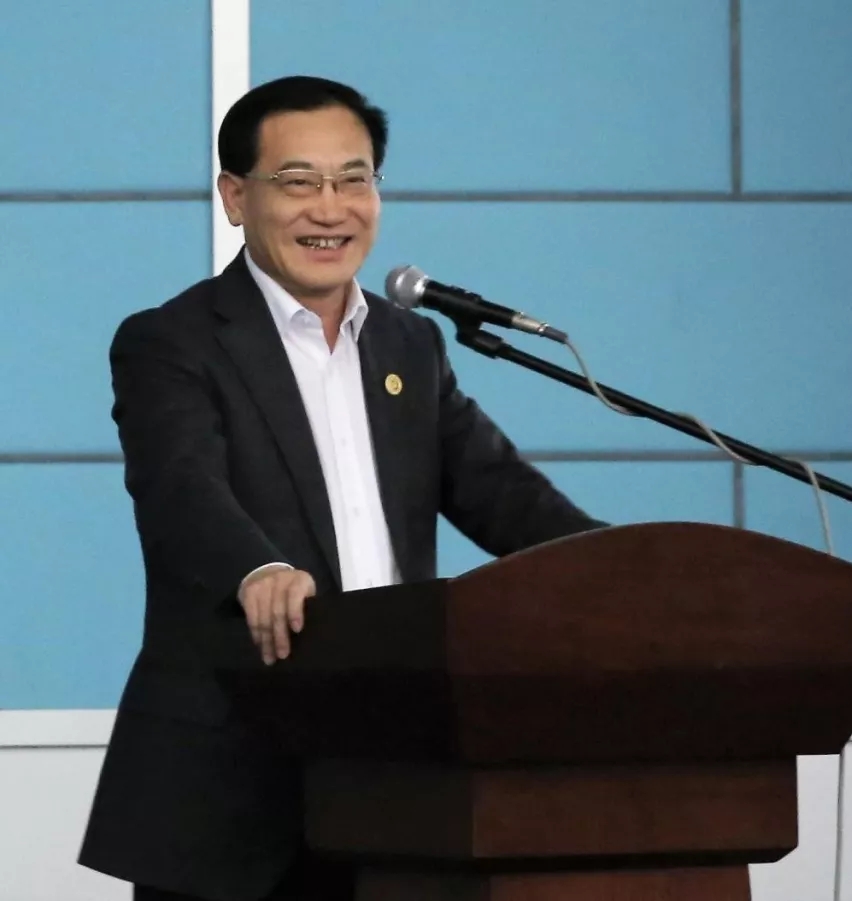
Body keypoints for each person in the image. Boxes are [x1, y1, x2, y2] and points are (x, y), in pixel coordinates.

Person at [78, 75, 603, 901]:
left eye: (353, 179)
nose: (331, 208)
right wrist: (257, 568)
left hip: (397, 779)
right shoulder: (171, 341)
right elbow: (180, 487)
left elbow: (502, 493)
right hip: (233, 787)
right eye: (299, 182)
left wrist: (624, 570)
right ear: (236, 197)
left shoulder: (410, 346)